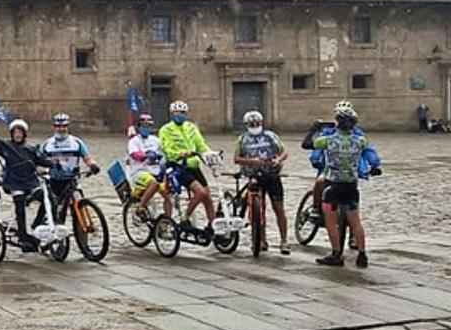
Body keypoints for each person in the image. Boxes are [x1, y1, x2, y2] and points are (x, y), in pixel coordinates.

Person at [303, 104, 380, 268]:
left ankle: (336, 254)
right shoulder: (360, 140)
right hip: (351, 186)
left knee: (331, 223)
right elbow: (370, 151)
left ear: (337, 122)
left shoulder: (328, 140)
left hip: (333, 187)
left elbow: (307, 144)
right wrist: (375, 166)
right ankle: (362, 255)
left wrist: (313, 129)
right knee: (356, 222)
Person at [0, 115, 56, 251]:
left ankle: (37, 226)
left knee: (49, 199)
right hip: (14, 183)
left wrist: (55, 165)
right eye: (15, 132)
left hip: (30, 182)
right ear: (12, 134)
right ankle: (23, 236)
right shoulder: (6, 147)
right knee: (20, 205)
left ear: (24, 134)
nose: (18, 135)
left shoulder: (31, 149)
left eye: (20, 133)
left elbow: (41, 160)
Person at [232, 110, 290, 255]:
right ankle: (261, 240)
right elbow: (236, 158)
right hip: (253, 177)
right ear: (246, 124)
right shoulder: (242, 139)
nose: (255, 125)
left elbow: (284, 151)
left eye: (257, 123)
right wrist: (251, 161)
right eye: (252, 124)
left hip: (272, 176)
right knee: (258, 209)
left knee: (279, 208)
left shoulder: (271, 136)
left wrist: (278, 160)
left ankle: (284, 241)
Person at [158, 101, 220, 233]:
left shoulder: (191, 127)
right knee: (200, 192)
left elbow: (201, 145)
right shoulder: (166, 129)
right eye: (177, 113)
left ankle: (213, 225)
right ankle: (185, 218)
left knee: (207, 198)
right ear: (172, 114)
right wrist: (179, 154)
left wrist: (211, 156)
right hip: (178, 167)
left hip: (194, 165)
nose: (179, 115)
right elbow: (166, 149)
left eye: (182, 113)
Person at [38, 113, 101, 203]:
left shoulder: (77, 142)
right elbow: (39, 161)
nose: (61, 129)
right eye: (58, 126)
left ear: (68, 127)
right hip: (54, 180)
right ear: (54, 127)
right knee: (51, 207)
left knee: (79, 203)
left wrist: (93, 165)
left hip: (72, 180)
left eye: (64, 126)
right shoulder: (47, 144)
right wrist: (41, 170)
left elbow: (87, 158)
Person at [126, 113, 171, 217]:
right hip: (139, 173)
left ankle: (166, 223)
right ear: (138, 127)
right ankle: (141, 207)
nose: (145, 128)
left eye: (148, 126)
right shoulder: (134, 141)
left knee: (168, 197)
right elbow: (134, 154)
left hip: (155, 173)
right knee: (154, 184)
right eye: (143, 126)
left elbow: (165, 153)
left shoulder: (156, 140)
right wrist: (145, 156)